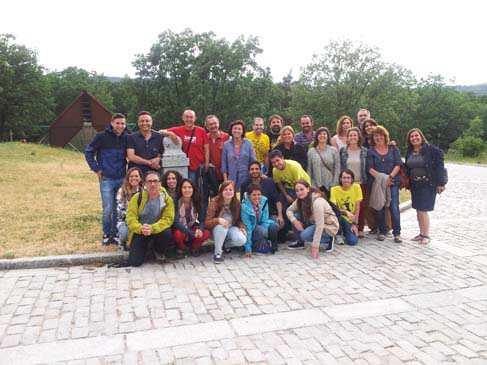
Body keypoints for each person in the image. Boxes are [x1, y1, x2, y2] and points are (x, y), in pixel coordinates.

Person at [85, 113, 129, 245]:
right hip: (107, 178)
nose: (120, 126)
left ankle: (115, 233)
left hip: (121, 178)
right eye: (117, 123)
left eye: (122, 123)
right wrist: (96, 168)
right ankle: (106, 233)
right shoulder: (101, 137)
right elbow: (88, 151)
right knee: (108, 208)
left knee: (118, 208)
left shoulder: (127, 137)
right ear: (112, 123)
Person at [405, 128, 447, 245]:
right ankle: (421, 233)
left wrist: (441, 182)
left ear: (421, 136)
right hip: (415, 184)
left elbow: (440, 167)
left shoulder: (432, 150)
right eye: (411, 137)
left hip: (428, 184)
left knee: (423, 210)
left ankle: (426, 235)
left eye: (416, 135)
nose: (414, 138)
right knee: (418, 210)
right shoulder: (409, 151)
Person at [125, 171, 174, 267]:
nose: (153, 184)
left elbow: (168, 219)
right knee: (134, 263)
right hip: (141, 231)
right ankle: (146, 249)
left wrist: (152, 228)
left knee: (167, 232)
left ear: (160, 183)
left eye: (155, 181)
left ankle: (158, 250)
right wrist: (140, 228)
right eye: (149, 181)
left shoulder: (166, 199)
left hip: (157, 231)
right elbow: (130, 218)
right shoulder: (137, 198)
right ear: (145, 184)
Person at [366, 126, 402, 243]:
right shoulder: (371, 151)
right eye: (376, 135)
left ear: (385, 136)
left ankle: (397, 233)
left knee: (394, 207)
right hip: (378, 183)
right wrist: (382, 178)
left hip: (392, 182)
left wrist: (390, 177)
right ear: (373, 138)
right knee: (380, 206)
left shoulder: (393, 148)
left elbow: (398, 164)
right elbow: (369, 168)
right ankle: (382, 231)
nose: (379, 137)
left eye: (381, 135)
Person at [286, 179, 339, 256]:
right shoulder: (300, 200)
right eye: (297, 190)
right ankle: (300, 242)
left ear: (308, 189)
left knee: (305, 235)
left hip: (328, 225)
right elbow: (289, 210)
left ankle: (329, 238)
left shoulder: (317, 202)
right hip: (312, 222)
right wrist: (295, 221)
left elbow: (319, 226)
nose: (299, 192)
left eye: (302, 189)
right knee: (296, 216)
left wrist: (315, 246)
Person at [205, 180, 246, 263]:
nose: (228, 192)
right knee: (221, 227)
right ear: (221, 191)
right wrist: (218, 220)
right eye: (225, 189)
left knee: (242, 239)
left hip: (231, 228)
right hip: (217, 230)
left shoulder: (236, 203)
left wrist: (242, 227)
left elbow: (238, 220)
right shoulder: (214, 202)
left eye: (230, 190)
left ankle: (225, 244)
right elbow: (207, 222)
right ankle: (218, 253)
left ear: (234, 192)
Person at [339, 127, 368, 237]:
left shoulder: (364, 151)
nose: (353, 137)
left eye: (355, 135)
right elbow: (341, 167)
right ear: (347, 137)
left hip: (361, 182)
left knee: (361, 206)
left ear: (358, 137)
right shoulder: (343, 151)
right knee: (348, 206)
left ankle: (360, 229)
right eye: (350, 135)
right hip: (347, 183)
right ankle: (349, 228)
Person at [168, 109, 210, 182]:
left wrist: (207, 163)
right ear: (183, 118)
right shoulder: (178, 130)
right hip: (187, 166)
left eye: (191, 117)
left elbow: (207, 148)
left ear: (195, 118)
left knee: (201, 188)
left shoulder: (201, 131)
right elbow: (160, 131)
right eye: (187, 117)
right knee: (190, 187)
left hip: (200, 166)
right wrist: (171, 134)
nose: (189, 119)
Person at [172, 179, 211, 257]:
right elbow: (176, 223)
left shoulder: (197, 201)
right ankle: (182, 248)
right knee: (177, 234)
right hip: (180, 228)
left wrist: (200, 230)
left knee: (206, 233)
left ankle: (194, 248)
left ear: (193, 189)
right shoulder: (175, 202)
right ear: (180, 189)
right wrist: (192, 233)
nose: (187, 190)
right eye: (184, 187)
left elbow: (202, 220)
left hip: (192, 225)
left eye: (190, 187)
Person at [241, 184, 281, 255]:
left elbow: (264, 220)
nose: (257, 197)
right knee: (262, 231)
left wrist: (263, 238)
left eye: (259, 194)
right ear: (249, 195)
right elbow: (248, 228)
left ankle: (268, 243)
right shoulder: (244, 207)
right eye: (254, 195)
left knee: (275, 226)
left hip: (259, 225)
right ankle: (252, 247)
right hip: (250, 229)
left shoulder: (264, 200)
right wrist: (248, 249)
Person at [221, 120, 256, 192]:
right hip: (231, 179)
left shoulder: (249, 143)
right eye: (235, 128)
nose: (237, 130)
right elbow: (224, 165)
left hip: (246, 178)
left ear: (243, 131)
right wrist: (226, 182)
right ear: (231, 130)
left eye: (239, 129)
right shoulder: (226, 145)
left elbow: (253, 161)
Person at [330, 170, 363, 246]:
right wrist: (345, 212)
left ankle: (346, 231)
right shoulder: (334, 189)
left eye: (348, 178)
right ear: (340, 179)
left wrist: (355, 224)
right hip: (340, 216)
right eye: (344, 178)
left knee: (353, 241)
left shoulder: (356, 187)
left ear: (352, 179)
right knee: (336, 213)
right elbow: (334, 207)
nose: (346, 180)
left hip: (351, 219)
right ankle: (337, 234)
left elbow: (357, 207)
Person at [307, 127, 340, 197]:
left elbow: (338, 168)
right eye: (320, 134)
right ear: (316, 137)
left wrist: (335, 184)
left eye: (324, 134)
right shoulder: (311, 151)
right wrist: (311, 185)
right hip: (316, 186)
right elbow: (309, 170)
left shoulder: (334, 151)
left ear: (328, 136)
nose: (322, 135)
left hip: (331, 185)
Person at [116, 167, 144, 249]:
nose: (134, 178)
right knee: (124, 235)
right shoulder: (122, 191)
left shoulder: (145, 190)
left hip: (142, 219)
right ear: (128, 178)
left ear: (140, 178)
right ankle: (122, 242)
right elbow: (119, 211)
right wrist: (133, 217)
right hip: (126, 220)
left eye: (136, 176)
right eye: (131, 176)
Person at [205, 115, 230, 186]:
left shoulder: (227, 137)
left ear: (218, 123)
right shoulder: (205, 138)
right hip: (212, 175)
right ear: (207, 127)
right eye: (210, 124)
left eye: (214, 123)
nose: (213, 126)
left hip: (226, 174)